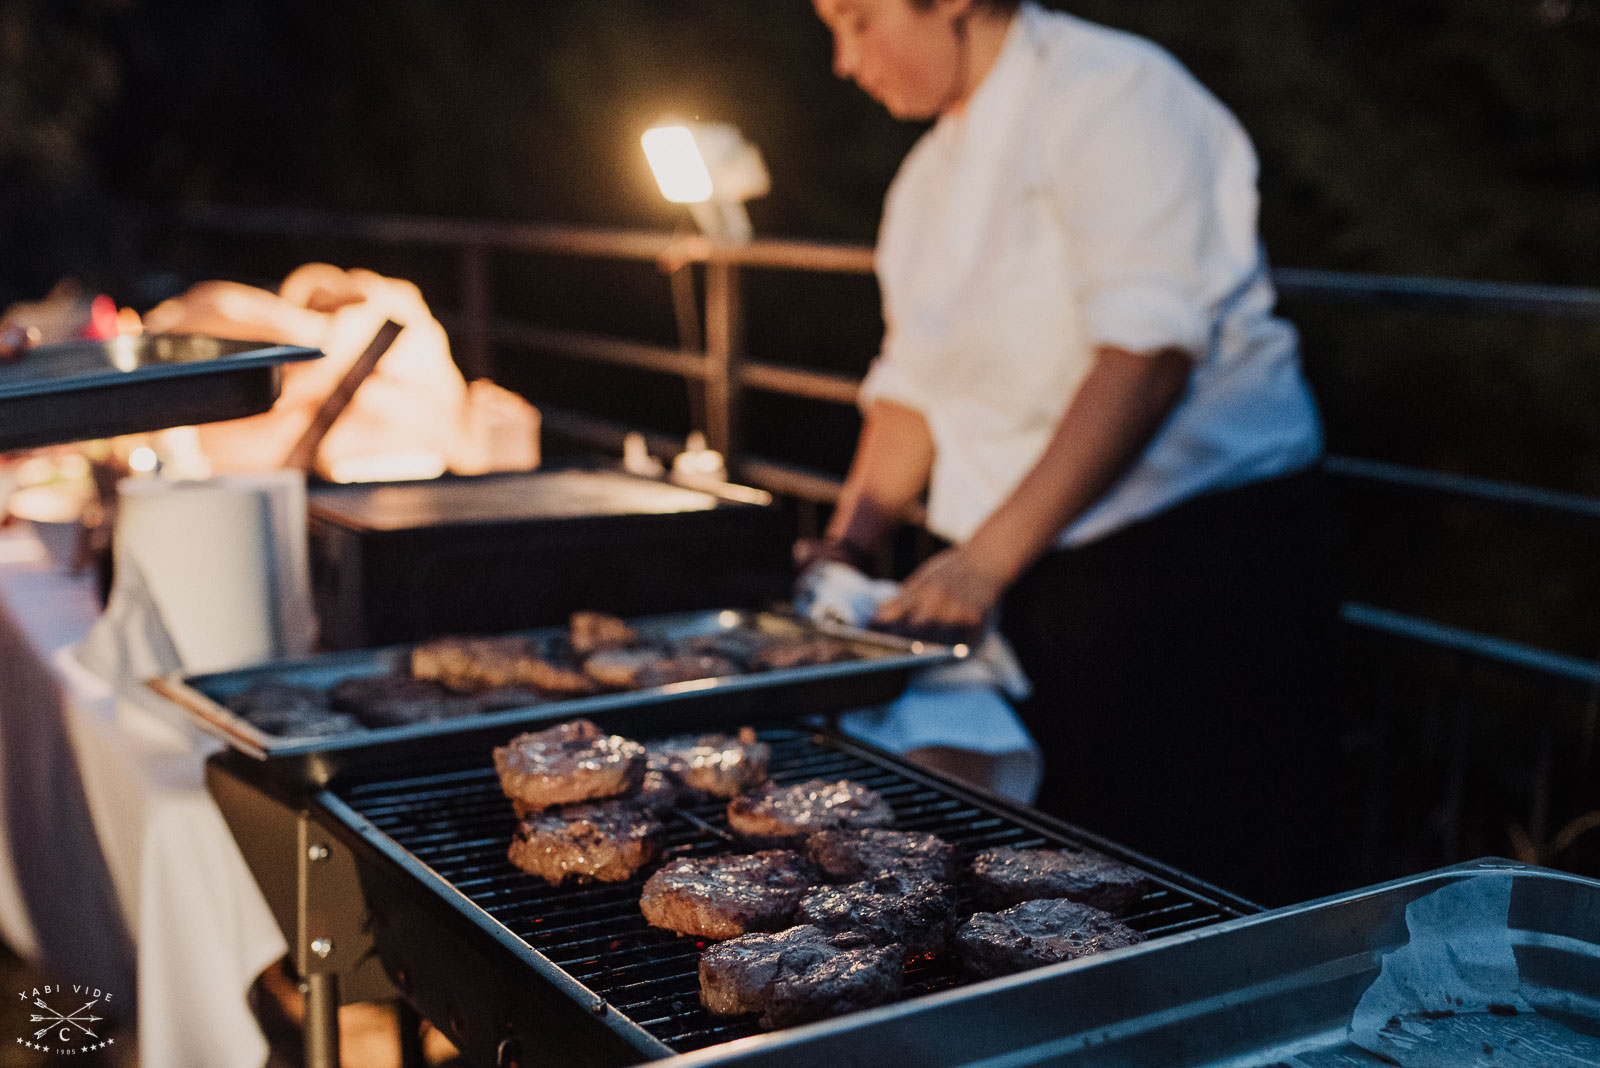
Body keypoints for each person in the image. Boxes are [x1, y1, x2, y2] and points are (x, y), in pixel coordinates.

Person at [805, 0, 1350, 905]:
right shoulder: (924, 179)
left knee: (1195, 889)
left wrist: (980, 564)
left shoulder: (1114, 93)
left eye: (859, 21)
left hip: (1195, 572)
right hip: (1035, 576)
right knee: (1050, 885)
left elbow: (1146, 358)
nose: (843, 59)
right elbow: (911, 392)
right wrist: (848, 546)